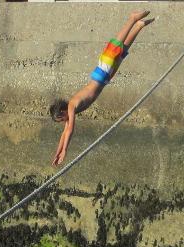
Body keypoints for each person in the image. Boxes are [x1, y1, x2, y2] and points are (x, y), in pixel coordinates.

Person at [49, 10, 155, 166]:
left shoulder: (71, 107)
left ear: (63, 112)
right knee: (122, 52)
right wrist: (58, 152)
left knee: (114, 47)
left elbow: (70, 129)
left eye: (61, 119)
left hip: (101, 73)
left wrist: (66, 150)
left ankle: (132, 19)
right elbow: (64, 133)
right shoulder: (70, 111)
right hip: (105, 78)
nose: (63, 122)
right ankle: (138, 26)